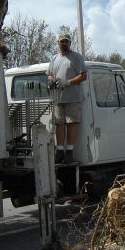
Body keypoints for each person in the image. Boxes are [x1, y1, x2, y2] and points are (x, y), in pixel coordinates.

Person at [47, 33, 87, 164]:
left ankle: (69, 153)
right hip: (58, 98)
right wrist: (51, 81)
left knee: (70, 123)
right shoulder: (54, 59)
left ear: (70, 43)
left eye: (66, 41)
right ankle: (59, 152)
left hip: (73, 97)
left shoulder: (76, 57)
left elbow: (83, 76)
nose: (64, 44)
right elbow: (50, 75)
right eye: (62, 41)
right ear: (58, 43)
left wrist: (68, 82)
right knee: (59, 124)